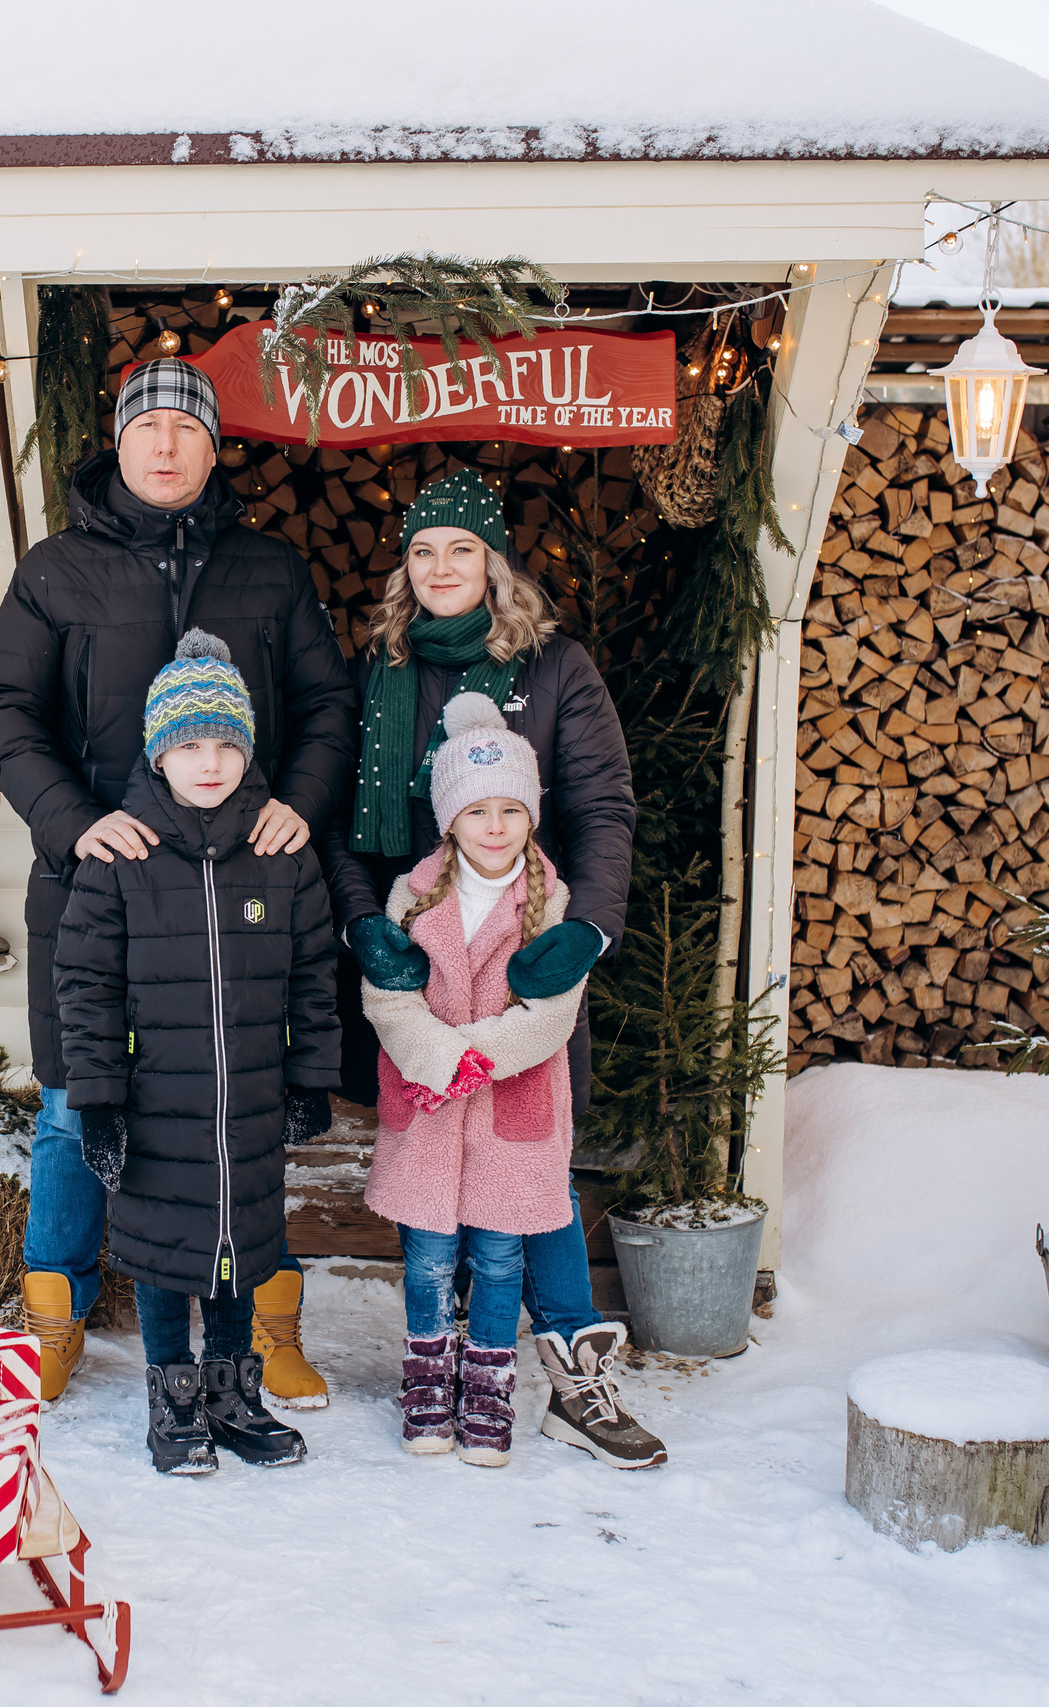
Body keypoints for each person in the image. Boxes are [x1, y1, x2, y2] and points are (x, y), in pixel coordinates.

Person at [0, 358, 356, 1406]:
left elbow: (329, 705)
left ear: (211, 445)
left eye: (185, 429)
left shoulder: (268, 571)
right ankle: (53, 1315)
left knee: (244, 1101)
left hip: (245, 889)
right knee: (69, 1105)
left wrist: (299, 808)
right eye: (147, 427)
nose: (165, 445)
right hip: (100, 883)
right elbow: (3, 709)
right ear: (119, 441)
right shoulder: (57, 570)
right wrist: (73, 822)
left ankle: (266, 1322)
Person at [323, 468, 661, 1468]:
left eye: (460, 550)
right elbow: (342, 822)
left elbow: (602, 807)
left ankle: (568, 1381)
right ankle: (447, 1372)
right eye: (422, 550)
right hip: (414, 977)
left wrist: (586, 931)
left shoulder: (555, 672)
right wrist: (359, 925)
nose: (439, 569)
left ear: (494, 563)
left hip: (527, 976)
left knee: (527, 1176)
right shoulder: (374, 671)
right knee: (434, 1185)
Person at [55, 633, 340, 1474]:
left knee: (240, 1242)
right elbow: (85, 982)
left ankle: (231, 1390)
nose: (208, 763)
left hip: (245, 1099)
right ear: (158, 752)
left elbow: (314, 970)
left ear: (247, 748)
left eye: (225, 744)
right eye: (188, 745)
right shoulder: (122, 855)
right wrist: (99, 1100)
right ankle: (172, 1392)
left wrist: (309, 1075)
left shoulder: (281, 852)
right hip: (155, 1100)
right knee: (159, 1249)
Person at [360, 694, 636, 1467]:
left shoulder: (554, 907)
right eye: (476, 809)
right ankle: (427, 1381)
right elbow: (387, 998)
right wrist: (436, 1058)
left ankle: (488, 1386)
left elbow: (548, 1016)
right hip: (429, 1107)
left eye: (510, 808)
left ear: (532, 816)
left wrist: (471, 1056)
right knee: (428, 1254)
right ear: (448, 817)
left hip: (510, 1108)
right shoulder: (413, 896)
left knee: (502, 1256)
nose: (493, 825)